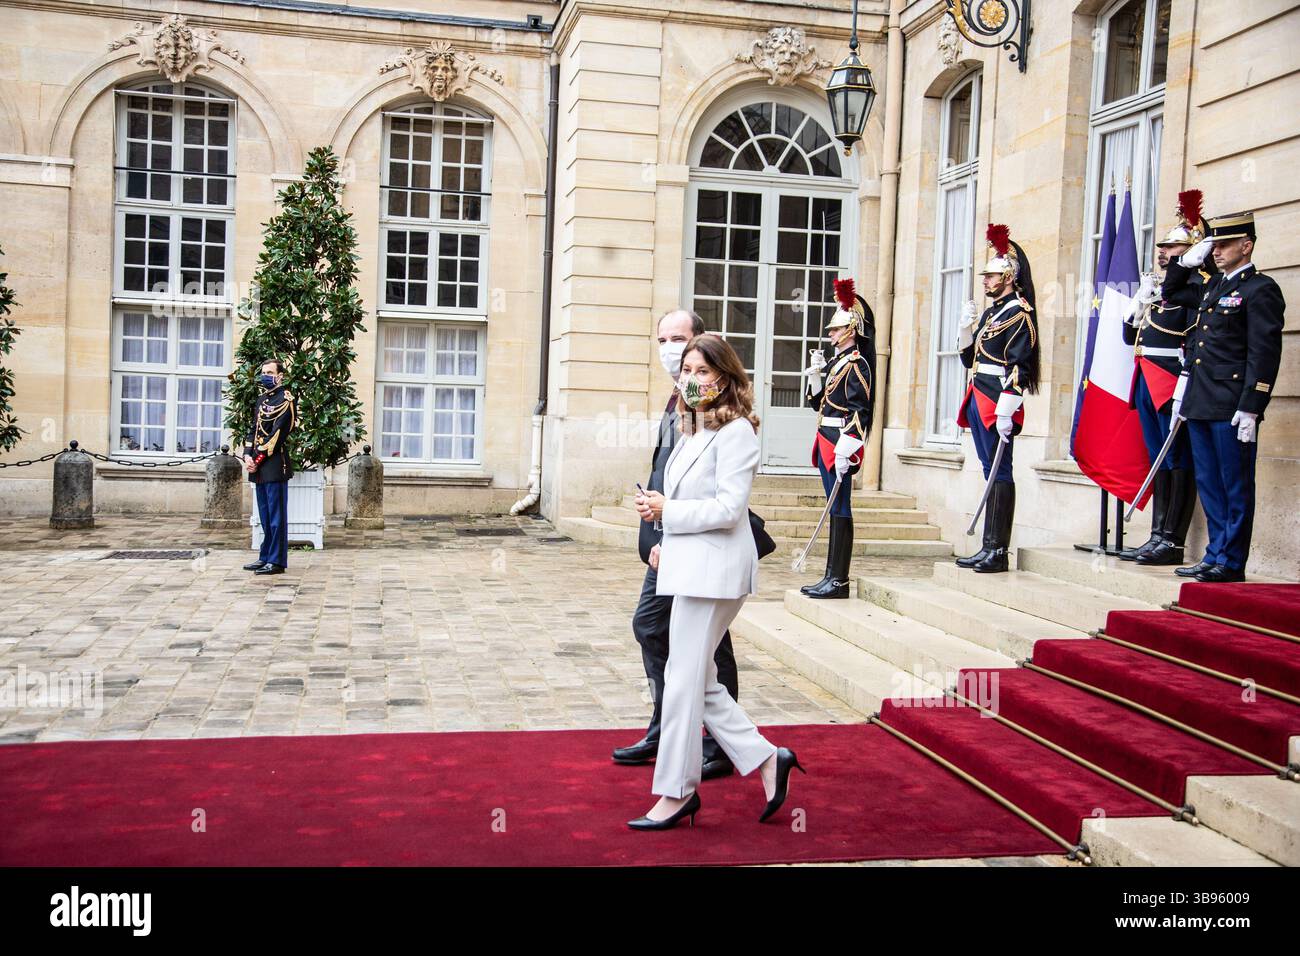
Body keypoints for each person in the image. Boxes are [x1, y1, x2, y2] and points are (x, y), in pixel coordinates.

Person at [629, 334, 803, 830]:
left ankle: (676, 792)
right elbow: (686, 504)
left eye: (702, 371)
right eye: (687, 370)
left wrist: (670, 511)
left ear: (725, 377)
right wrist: (663, 532)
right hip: (690, 564)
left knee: (684, 681)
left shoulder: (738, 433)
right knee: (700, 681)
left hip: (719, 573)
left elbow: (730, 510)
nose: (692, 379)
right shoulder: (693, 429)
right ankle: (769, 760)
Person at [611, 310, 739, 782]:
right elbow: (664, 471)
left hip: (696, 543)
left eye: (680, 341)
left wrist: (668, 526)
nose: (671, 350)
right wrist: (653, 533)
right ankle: (666, 726)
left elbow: (720, 497)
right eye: (663, 340)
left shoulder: (721, 416)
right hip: (668, 539)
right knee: (651, 628)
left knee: (709, 646)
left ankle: (717, 742)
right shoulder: (677, 403)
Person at [1165, 211, 1284, 583]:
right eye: (1213, 245)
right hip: (1201, 401)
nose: (1216, 251)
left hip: (1232, 405)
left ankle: (1231, 561)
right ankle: (1214, 553)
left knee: (1234, 483)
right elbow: (1171, 292)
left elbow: (1263, 353)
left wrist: (1253, 405)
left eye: (1225, 244)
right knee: (1210, 483)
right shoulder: (1214, 286)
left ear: (1246, 246)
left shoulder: (1260, 289)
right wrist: (1184, 261)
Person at [1118, 190, 1209, 566]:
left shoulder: (1196, 292)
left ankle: (1172, 539)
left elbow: (1193, 341)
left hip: (1171, 382)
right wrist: (1139, 302)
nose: (1163, 253)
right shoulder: (1158, 292)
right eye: (1164, 248)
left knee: (1177, 459)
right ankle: (1156, 533)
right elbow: (1129, 337)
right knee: (1157, 457)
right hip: (1146, 380)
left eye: (1172, 249)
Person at [954, 224, 1040, 573]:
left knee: (1000, 471)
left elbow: (1022, 361)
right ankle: (988, 544)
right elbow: (969, 358)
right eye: (986, 276)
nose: (985, 281)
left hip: (998, 399)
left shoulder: (1020, 312)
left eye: (991, 276)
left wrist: (1010, 402)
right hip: (979, 394)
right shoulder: (992, 313)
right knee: (990, 470)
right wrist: (964, 330)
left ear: (1008, 277)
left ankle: (998, 549)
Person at [800, 278, 875, 599]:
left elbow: (862, 409)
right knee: (834, 507)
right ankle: (831, 575)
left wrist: (850, 445)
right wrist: (816, 376)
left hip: (840, 440)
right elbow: (819, 403)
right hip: (826, 435)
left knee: (840, 506)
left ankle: (839, 579)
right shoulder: (837, 363)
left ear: (851, 331)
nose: (830, 334)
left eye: (835, 329)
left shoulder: (858, 364)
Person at [242, 358, 296, 575]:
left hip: (274, 465)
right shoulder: (261, 399)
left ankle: (276, 561)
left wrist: (256, 460)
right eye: (263, 371)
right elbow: (253, 429)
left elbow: (277, 435)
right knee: (264, 516)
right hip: (258, 467)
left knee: (276, 517)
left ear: (280, 375)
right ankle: (265, 556)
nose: (266, 375)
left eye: (270, 372)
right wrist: (246, 454)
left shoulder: (286, 399)